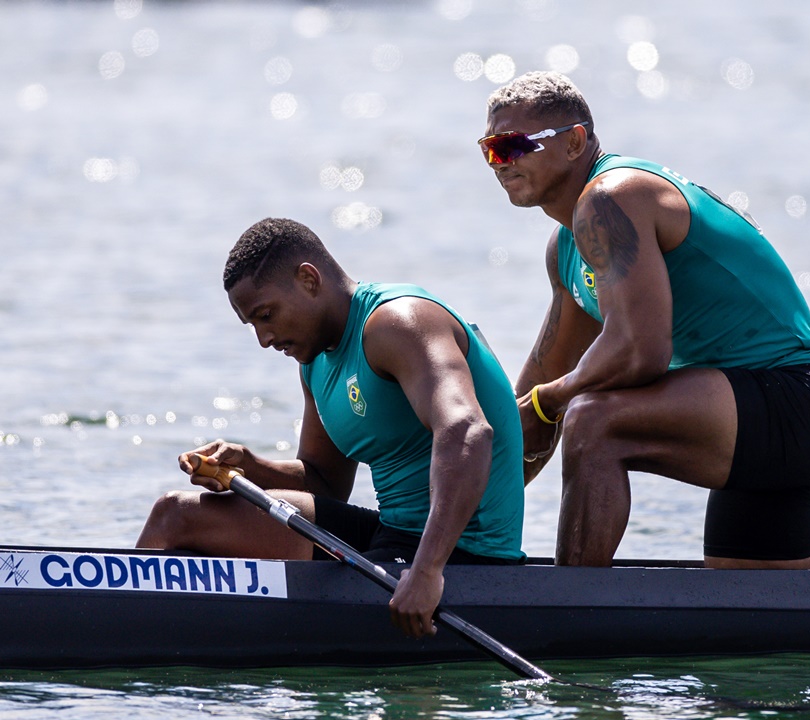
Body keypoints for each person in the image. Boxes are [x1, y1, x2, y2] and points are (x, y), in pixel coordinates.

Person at [478, 71, 810, 569]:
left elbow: (639, 353)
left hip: (798, 400)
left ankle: (575, 607)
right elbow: (530, 403)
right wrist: (447, 535)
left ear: (575, 142)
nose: (500, 163)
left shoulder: (610, 198)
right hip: (753, 419)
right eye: (491, 150)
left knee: (593, 422)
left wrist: (550, 403)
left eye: (514, 145)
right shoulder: (567, 248)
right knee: (750, 626)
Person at [137, 217, 525, 638]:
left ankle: (141, 641)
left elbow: (468, 431)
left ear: (308, 279)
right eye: (252, 325)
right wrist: (250, 467)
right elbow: (324, 483)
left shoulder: (396, 323)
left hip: (463, 554)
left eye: (267, 315)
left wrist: (428, 570)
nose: (264, 339)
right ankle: (144, 634)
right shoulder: (314, 363)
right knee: (173, 516)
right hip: (392, 535)